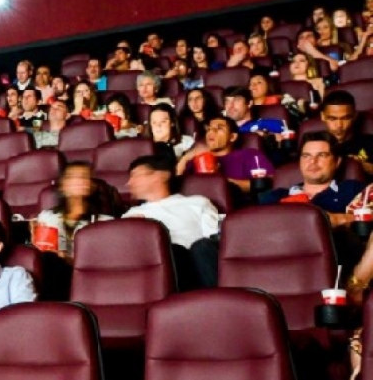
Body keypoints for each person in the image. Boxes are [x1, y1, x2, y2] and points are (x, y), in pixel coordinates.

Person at [123, 154, 220, 288]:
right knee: (173, 251)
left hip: (201, 264)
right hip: (166, 267)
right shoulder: (131, 215)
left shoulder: (198, 202)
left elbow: (213, 237)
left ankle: (216, 298)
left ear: (162, 175)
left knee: (202, 246)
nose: (129, 183)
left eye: (136, 175)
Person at [259, 132, 362, 226]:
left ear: (337, 162)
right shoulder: (277, 196)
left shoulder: (352, 190)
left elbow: (366, 220)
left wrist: (336, 219)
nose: (313, 161)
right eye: (306, 156)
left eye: (321, 155)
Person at [33, 162, 116, 260]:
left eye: (84, 176)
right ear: (63, 186)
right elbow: (43, 256)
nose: (79, 181)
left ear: (91, 186)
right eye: (72, 177)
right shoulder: (48, 218)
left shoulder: (105, 223)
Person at [177, 116, 274, 192]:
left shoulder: (250, 155)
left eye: (219, 128)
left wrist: (218, 180)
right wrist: (185, 158)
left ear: (232, 137)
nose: (211, 131)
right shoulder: (196, 158)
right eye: (209, 129)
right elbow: (177, 186)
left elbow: (265, 183)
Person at [321, 90, 373, 175]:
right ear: (322, 116)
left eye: (345, 118)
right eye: (332, 119)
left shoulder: (370, 143)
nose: (339, 125)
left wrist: (365, 167)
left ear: (355, 116)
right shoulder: (312, 143)